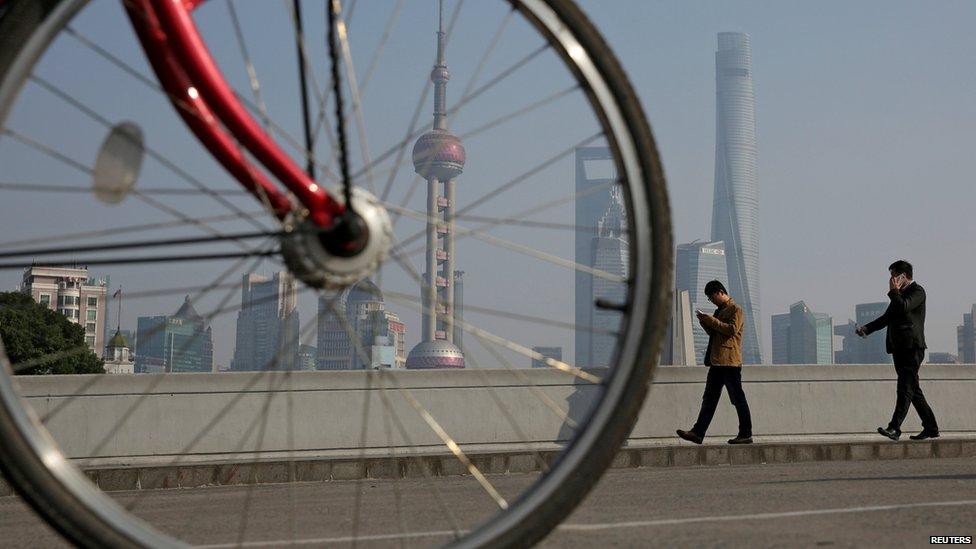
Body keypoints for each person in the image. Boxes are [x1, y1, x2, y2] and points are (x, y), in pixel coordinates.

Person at [857, 260, 939, 441]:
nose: (891, 280)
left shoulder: (918, 291)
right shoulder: (899, 295)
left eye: (894, 276)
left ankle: (895, 428)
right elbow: (887, 317)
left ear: (904, 276)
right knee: (912, 389)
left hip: (912, 347)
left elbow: (904, 307)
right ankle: (931, 427)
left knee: (904, 388)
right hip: (899, 348)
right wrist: (866, 329)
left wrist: (894, 291)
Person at [676, 280, 753, 445]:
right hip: (716, 362)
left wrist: (711, 320)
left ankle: (746, 433)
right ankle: (698, 432)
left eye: (711, 298)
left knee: (737, 399)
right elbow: (715, 333)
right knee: (709, 399)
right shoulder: (719, 311)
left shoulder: (736, 309)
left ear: (719, 292)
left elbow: (731, 330)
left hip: (730, 363)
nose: (712, 301)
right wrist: (704, 322)